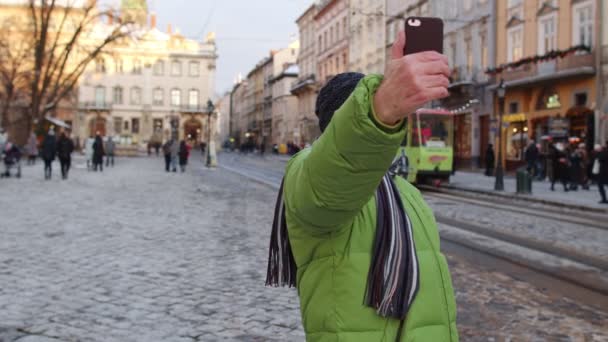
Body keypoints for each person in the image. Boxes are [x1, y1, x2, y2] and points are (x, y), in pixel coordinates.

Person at [266, 31, 457, 341]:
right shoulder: (309, 176)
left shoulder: (406, 192)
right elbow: (341, 167)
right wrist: (380, 107)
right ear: (339, 125)